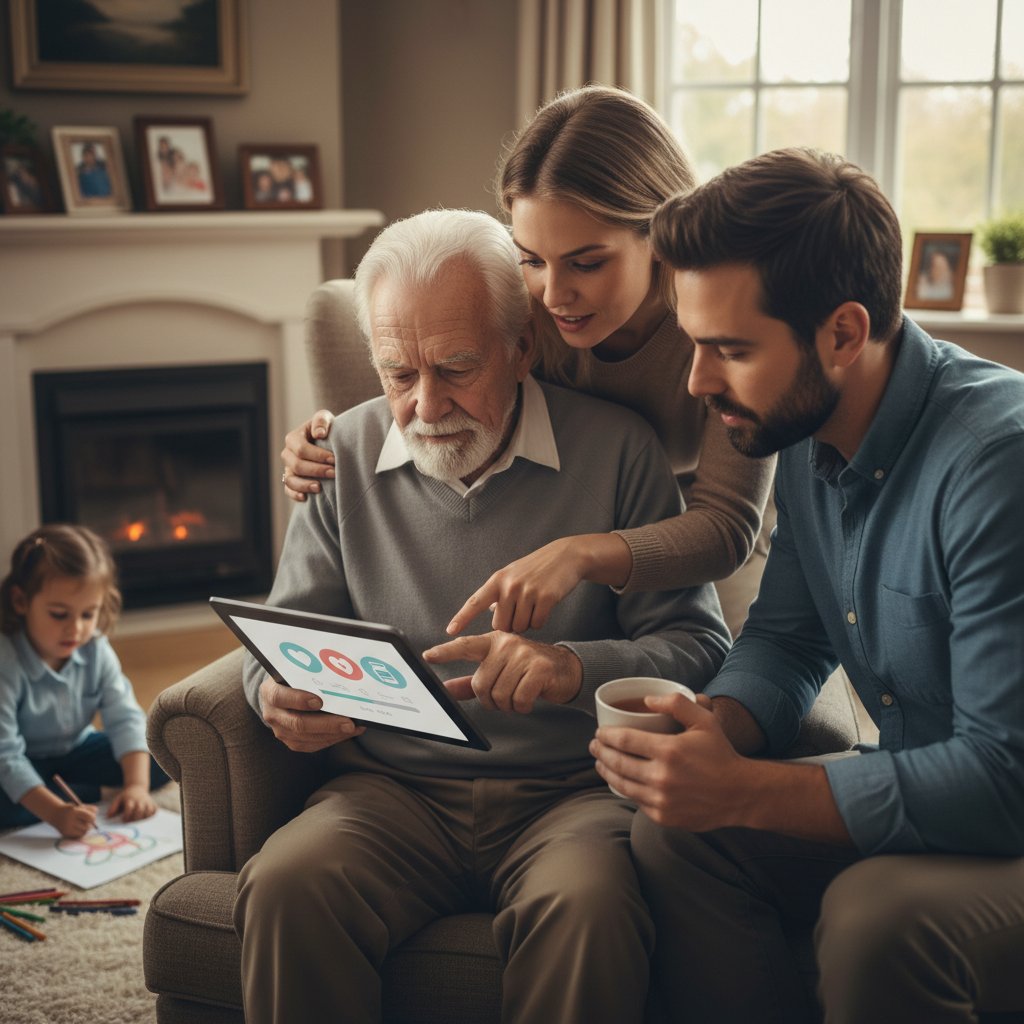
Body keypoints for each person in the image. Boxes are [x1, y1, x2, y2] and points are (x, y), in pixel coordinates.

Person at [235, 208, 730, 1024]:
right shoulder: (338, 457)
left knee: (589, 910)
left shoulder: (619, 450)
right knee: (288, 884)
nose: (427, 405)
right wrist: (271, 693)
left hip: (571, 794)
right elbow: (286, 636)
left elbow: (699, 647)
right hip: (389, 794)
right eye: (399, 374)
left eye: (457, 368)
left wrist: (571, 669)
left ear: (523, 346)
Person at [591, 147, 1024, 1024]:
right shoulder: (803, 425)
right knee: (674, 836)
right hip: (921, 782)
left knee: (875, 923)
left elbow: (1003, 778)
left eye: (731, 350)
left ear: (844, 332)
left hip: (1005, 813)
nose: (697, 380)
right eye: (694, 342)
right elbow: (789, 636)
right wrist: (715, 729)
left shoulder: (995, 465)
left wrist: (746, 789)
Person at [279, 86, 775, 640]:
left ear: (659, 234)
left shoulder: (721, 326)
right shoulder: (526, 310)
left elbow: (727, 529)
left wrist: (579, 555)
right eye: (531, 259)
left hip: (694, 543)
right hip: (565, 518)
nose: (553, 294)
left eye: (586, 263)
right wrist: (338, 438)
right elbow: (430, 359)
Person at [0, 524, 169, 838]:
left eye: (88, 615)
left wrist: (136, 787)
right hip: (22, 758)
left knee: (160, 755)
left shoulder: (95, 648)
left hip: (77, 749)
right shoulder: (6, 662)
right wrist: (55, 814)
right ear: (21, 602)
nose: (75, 629)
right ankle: (72, 794)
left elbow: (125, 718)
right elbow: (6, 755)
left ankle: (72, 790)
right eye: (59, 614)